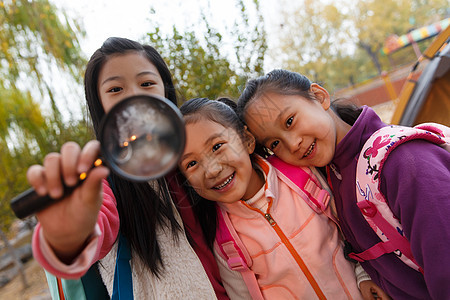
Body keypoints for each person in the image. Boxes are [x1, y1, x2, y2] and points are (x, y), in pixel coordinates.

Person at [27, 37, 230, 299]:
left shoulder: (192, 158)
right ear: (100, 105)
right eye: (115, 89)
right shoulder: (100, 179)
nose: (134, 96)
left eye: (146, 83)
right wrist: (69, 235)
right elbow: (91, 230)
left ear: (165, 93)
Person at [236, 69, 450, 299]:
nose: (292, 144)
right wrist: (367, 276)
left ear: (319, 97)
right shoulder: (331, 179)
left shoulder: (403, 162)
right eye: (275, 143)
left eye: (290, 121)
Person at [177, 97, 385, 299]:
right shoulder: (225, 241)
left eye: (217, 146)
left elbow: (350, 228)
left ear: (247, 140)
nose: (211, 170)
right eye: (191, 164)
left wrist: (363, 275)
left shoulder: (302, 175)